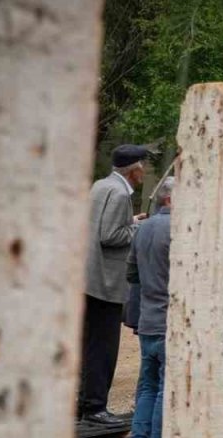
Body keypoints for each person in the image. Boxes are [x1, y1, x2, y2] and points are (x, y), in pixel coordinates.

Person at [80, 143, 149, 423]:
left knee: (89, 344)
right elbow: (110, 236)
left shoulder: (101, 186)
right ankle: (95, 407)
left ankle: (84, 403)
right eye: (142, 165)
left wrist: (129, 220)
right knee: (104, 348)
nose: (144, 170)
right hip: (105, 284)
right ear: (134, 170)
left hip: (88, 279)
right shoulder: (121, 193)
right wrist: (138, 227)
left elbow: (100, 225)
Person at [123, 177, 174, 438]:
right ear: (169, 199)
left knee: (147, 387)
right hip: (171, 319)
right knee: (165, 387)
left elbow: (132, 274)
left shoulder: (142, 228)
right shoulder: (180, 229)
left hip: (148, 318)